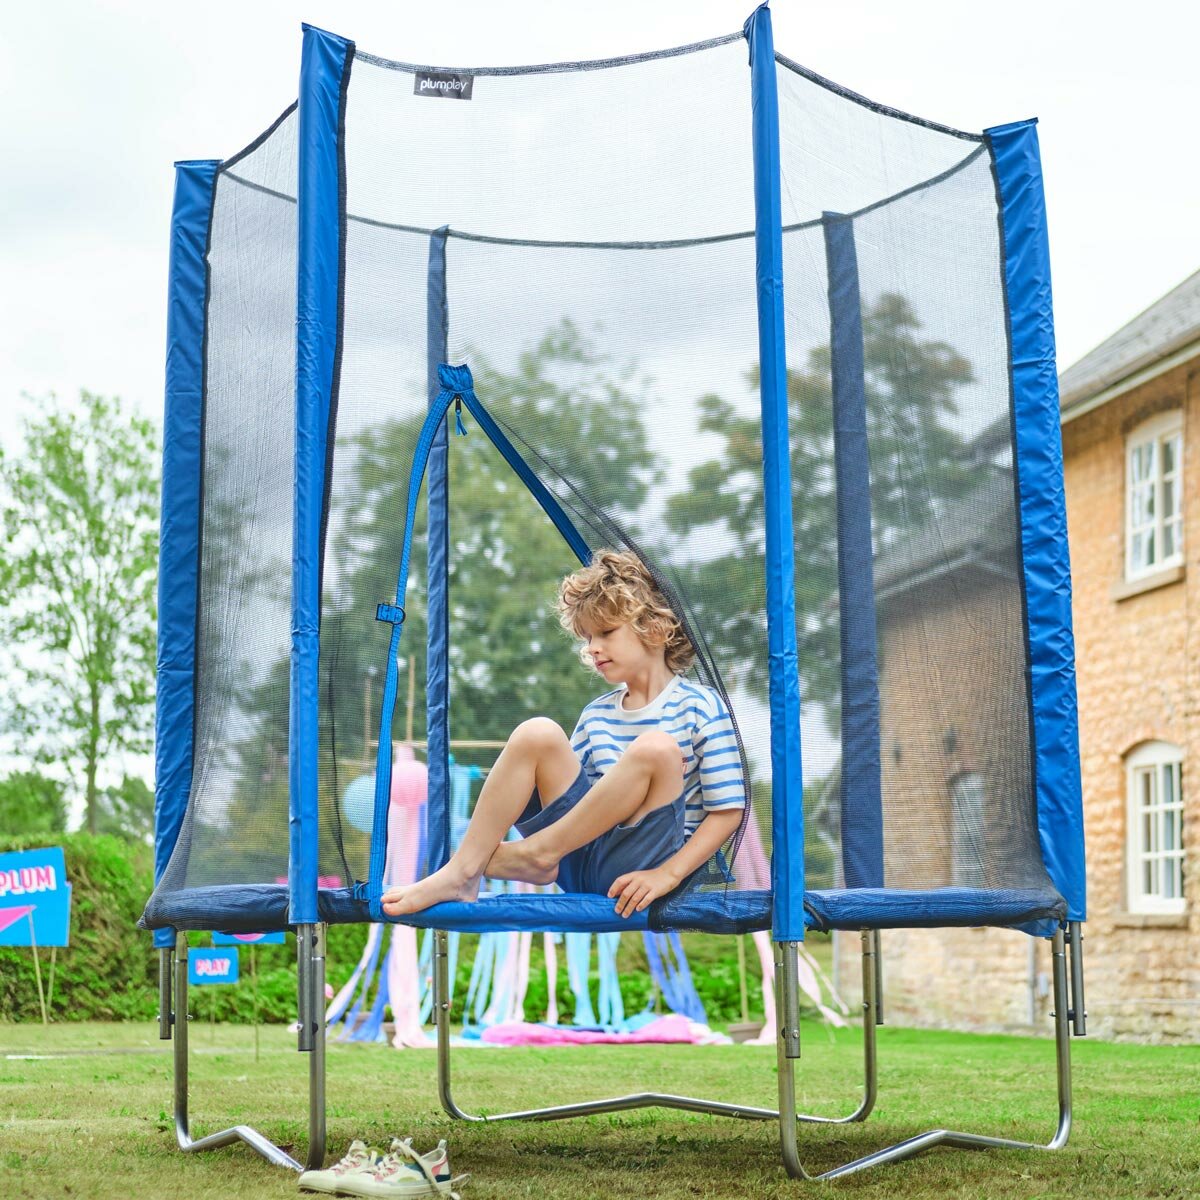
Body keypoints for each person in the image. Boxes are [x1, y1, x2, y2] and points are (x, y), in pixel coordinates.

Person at [381, 549, 745, 919]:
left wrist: (669, 875)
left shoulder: (700, 707)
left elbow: (728, 811)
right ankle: (463, 871)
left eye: (605, 632)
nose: (592, 648)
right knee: (536, 732)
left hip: (645, 870)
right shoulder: (597, 715)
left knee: (656, 750)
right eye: (587, 638)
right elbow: (573, 802)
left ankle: (538, 852)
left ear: (652, 628)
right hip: (580, 861)